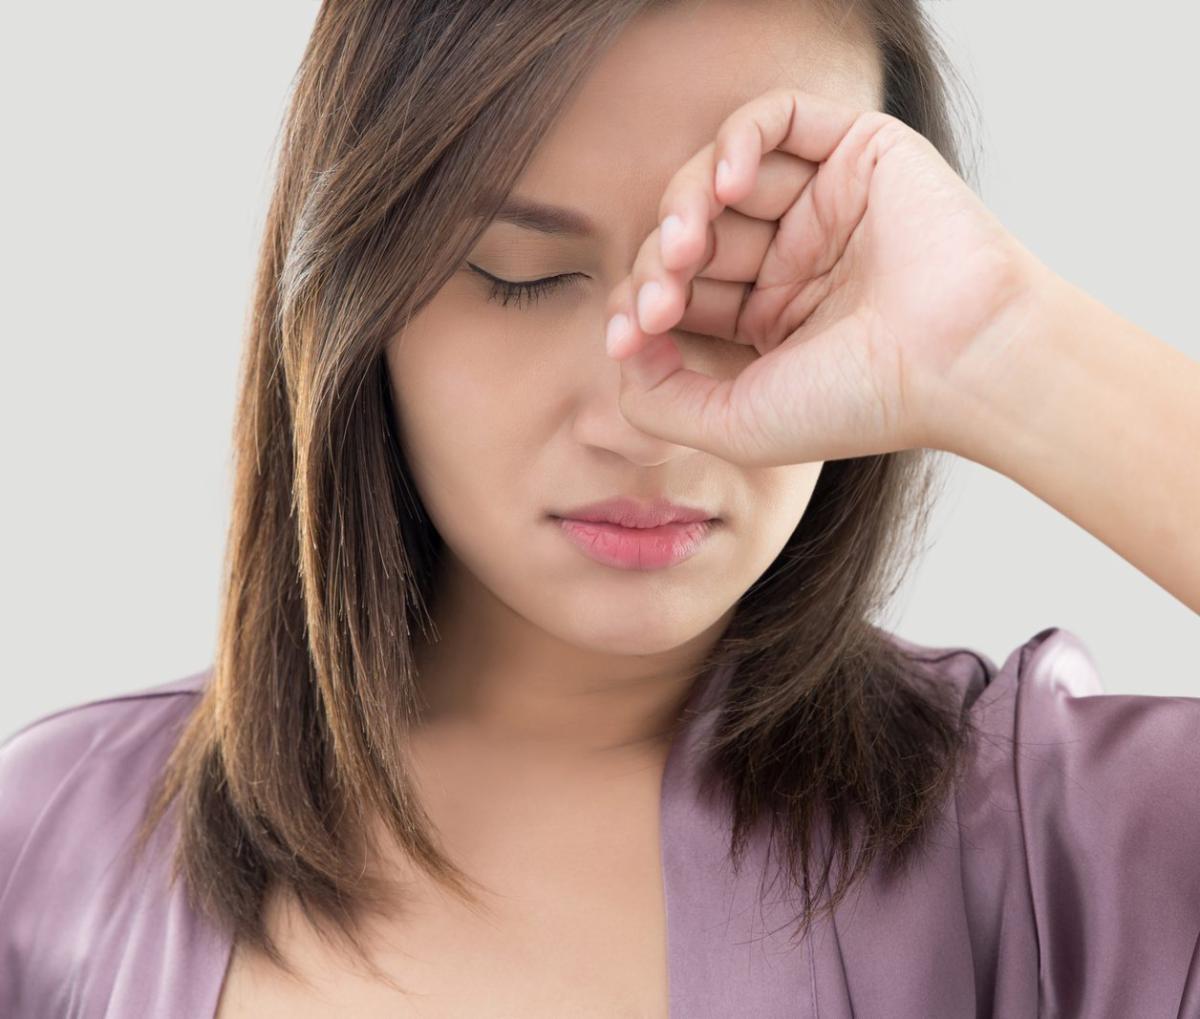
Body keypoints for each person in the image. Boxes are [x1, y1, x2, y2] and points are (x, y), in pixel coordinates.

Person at [2, 1, 1197, 1016]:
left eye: (747, 278)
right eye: (521, 277)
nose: (648, 410)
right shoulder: (52, 847)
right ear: (358, 298)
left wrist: (1006, 343)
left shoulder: (1057, 841)